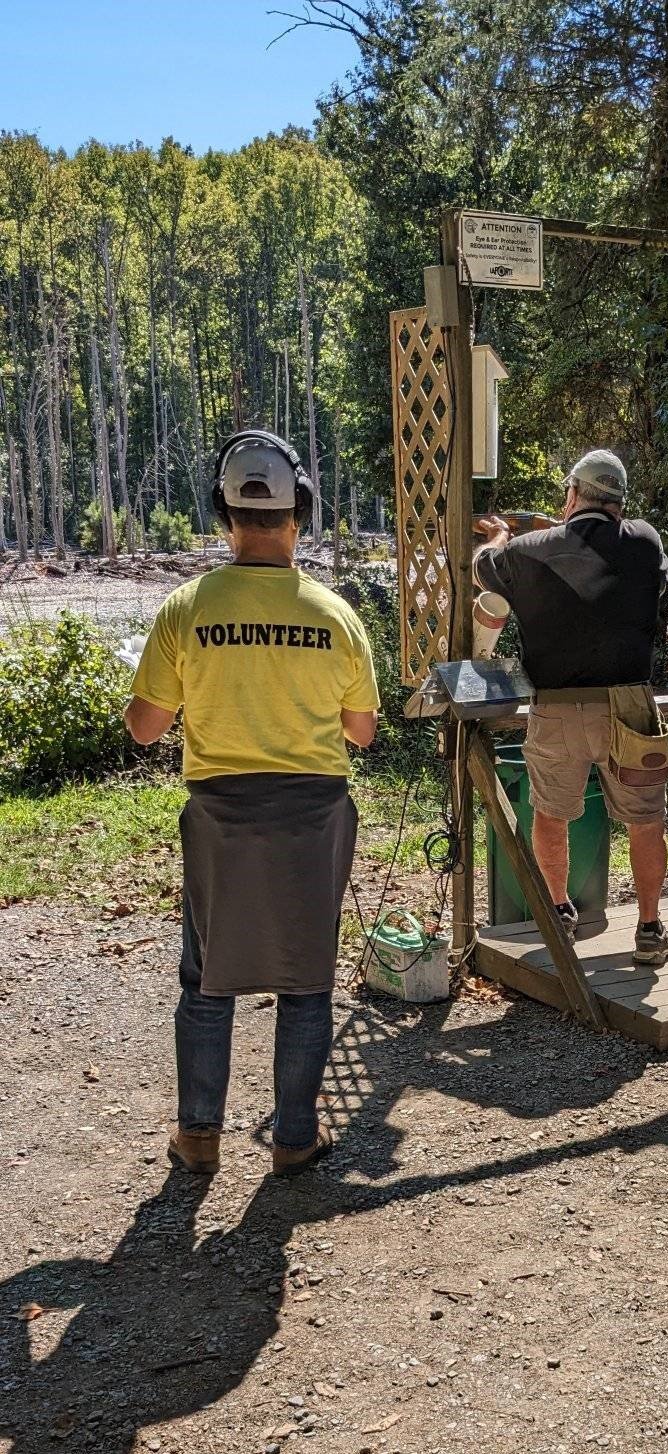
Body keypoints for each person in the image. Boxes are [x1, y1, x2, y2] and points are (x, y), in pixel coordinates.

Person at [124, 430, 380, 1177]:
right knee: (307, 981)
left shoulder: (185, 609)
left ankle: (198, 1137)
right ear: (299, 511)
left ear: (221, 512)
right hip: (313, 816)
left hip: (221, 818)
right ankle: (294, 1138)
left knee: (206, 978)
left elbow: (145, 729)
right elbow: (361, 733)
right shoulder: (336, 615)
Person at [473, 449, 668, 967]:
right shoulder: (645, 540)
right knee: (646, 819)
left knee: (551, 812)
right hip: (630, 704)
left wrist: (502, 535)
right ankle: (650, 929)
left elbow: (483, 569)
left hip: (557, 706)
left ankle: (560, 913)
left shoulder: (529, 549)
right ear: (618, 500)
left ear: (572, 495)